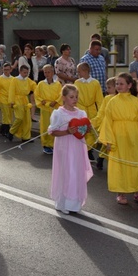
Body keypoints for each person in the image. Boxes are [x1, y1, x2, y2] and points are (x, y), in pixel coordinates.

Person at [99, 73, 138, 206]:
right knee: (121, 165)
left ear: (129, 85)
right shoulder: (112, 102)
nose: (118, 86)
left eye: (121, 83)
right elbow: (107, 121)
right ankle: (121, 193)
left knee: (136, 163)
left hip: (134, 138)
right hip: (118, 139)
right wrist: (109, 140)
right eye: (117, 84)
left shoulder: (136, 101)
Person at [48, 84, 94, 214]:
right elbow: (53, 132)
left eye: (76, 97)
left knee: (77, 172)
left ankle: (74, 204)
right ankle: (63, 203)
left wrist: (86, 129)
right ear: (63, 97)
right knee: (67, 172)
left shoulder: (81, 113)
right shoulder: (58, 113)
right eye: (71, 97)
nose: (75, 99)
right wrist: (67, 132)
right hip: (64, 148)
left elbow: (83, 130)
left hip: (78, 147)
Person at [75, 62, 104, 161]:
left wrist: (101, 112)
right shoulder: (77, 83)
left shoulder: (95, 83)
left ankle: (88, 150)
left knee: (91, 130)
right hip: (80, 108)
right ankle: (83, 150)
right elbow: (74, 97)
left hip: (91, 109)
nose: (78, 73)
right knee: (81, 129)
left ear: (85, 71)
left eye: (79, 71)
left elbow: (99, 100)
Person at [91, 77, 117, 171]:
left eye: (109, 87)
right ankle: (101, 158)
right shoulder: (107, 98)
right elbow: (101, 112)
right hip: (108, 125)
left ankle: (114, 163)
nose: (107, 90)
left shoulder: (121, 98)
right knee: (105, 145)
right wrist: (94, 122)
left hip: (117, 126)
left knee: (115, 145)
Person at [35, 64, 62, 154]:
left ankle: (54, 144)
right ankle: (46, 144)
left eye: (49, 72)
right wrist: (42, 101)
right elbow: (37, 95)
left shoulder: (57, 84)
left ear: (53, 72)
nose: (47, 74)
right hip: (45, 108)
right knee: (45, 126)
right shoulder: (41, 84)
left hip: (55, 107)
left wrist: (56, 101)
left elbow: (60, 95)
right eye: (45, 72)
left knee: (55, 125)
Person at [8, 65, 38, 143]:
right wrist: (11, 101)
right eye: (24, 72)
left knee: (27, 119)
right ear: (20, 71)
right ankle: (11, 131)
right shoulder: (15, 80)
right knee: (19, 117)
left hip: (25, 99)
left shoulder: (28, 80)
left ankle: (26, 137)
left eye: (27, 73)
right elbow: (11, 90)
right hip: (17, 100)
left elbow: (35, 87)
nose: (26, 74)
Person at [0, 62, 14, 138]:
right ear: (2, 70)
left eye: (8, 69)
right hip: (3, 99)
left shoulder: (13, 79)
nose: (6, 71)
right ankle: (7, 131)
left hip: (10, 99)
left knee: (9, 115)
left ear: (10, 70)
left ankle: (2, 130)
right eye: (4, 69)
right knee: (6, 115)